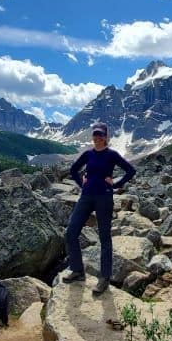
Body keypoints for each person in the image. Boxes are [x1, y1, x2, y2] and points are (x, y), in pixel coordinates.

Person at [63, 122, 136, 295]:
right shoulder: (88, 154)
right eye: (95, 135)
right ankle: (78, 270)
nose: (97, 138)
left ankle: (104, 278)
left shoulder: (112, 155)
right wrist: (82, 183)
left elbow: (130, 170)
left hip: (104, 198)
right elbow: (73, 170)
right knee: (71, 232)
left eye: (100, 135)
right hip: (86, 197)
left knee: (104, 238)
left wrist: (116, 184)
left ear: (106, 137)